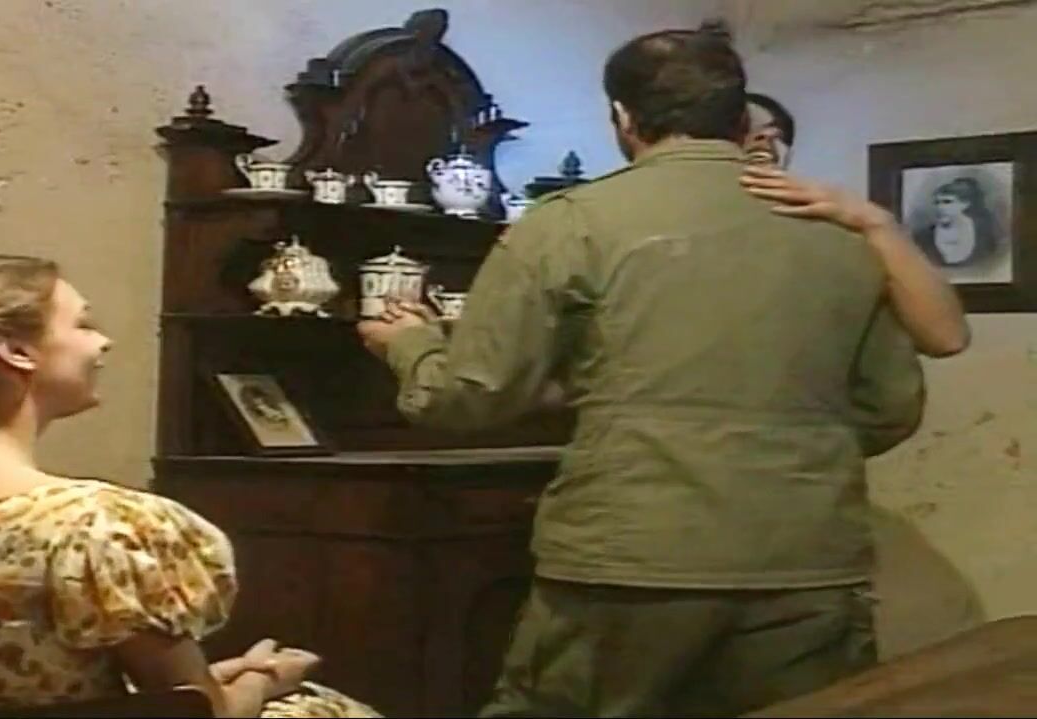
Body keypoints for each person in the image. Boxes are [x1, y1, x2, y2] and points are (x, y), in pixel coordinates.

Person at [358, 29, 925, 717]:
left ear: (623, 118)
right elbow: (891, 408)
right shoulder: (838, 236)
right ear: (740, 120)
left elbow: (469, 397)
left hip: (630, 557)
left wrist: (412, 344)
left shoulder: (571, 223)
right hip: (807, 557)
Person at [0, 253, 379, 719]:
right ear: (13, 349)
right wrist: (265, 679)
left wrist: (219, 675)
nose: (102, 341)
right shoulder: (93, 528)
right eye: (82, 324)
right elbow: (199, 714)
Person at [737, 90, 969, 358]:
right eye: (745, 129)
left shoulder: (834, 231)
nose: (764, 138)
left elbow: (947, 338)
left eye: (774, 133)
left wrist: (878, 223)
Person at [912, 176, 999, 268]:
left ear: (965, 204)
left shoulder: (983, 234)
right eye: (937, 202)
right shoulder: (924, 237)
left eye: (947, 202)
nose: (940, 207)